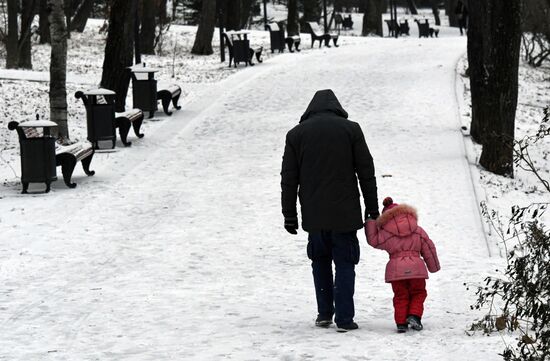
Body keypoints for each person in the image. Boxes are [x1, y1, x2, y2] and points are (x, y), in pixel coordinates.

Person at [280, 89, 379, 332]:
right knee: (345, 264)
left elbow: (289, 178)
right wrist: (372, 208)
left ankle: (324, 313)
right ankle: (344, 319)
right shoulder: (351, 130)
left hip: (314, 216)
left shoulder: (296, 135)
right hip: (345, 215)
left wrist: (289, 213)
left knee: (320, 262)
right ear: (336, 107)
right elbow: (366, 171)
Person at [364, 197, 440, 333]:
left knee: (400, 295)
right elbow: (429, 246)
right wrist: (433, 266)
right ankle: (414, 316)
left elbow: (373, 240)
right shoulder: (417, 230)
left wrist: (370, 220)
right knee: (418, 292)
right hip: (416, 269)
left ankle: (401, 323)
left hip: (396, 271)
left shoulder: (386, 233)